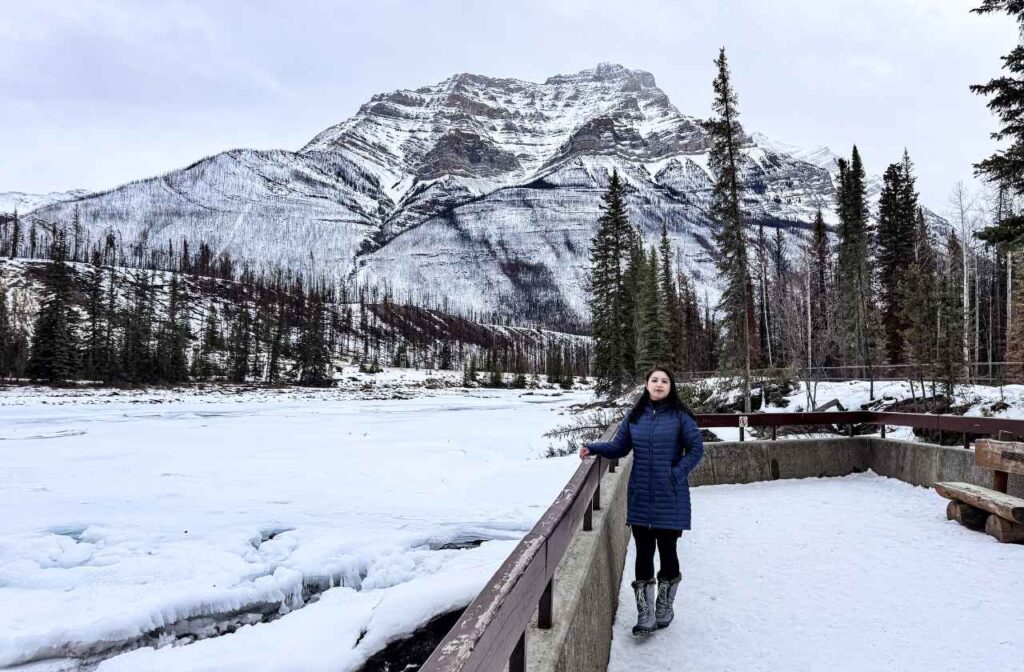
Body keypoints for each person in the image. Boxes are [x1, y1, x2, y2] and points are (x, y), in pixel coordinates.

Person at [580, 367, 704, 636]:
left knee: (668, 551)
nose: (659, 384)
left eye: (664, 381)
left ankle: (664, 606)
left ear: (671, 386)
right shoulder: (635, 416)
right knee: (643, 552)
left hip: (670, 497)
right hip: (641, 497)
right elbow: (620, 448)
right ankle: (644, 613)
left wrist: (676, 474)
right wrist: (595, 447)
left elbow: (697, 449)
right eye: (654, 380)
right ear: (646, 385)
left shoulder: (680, 416)